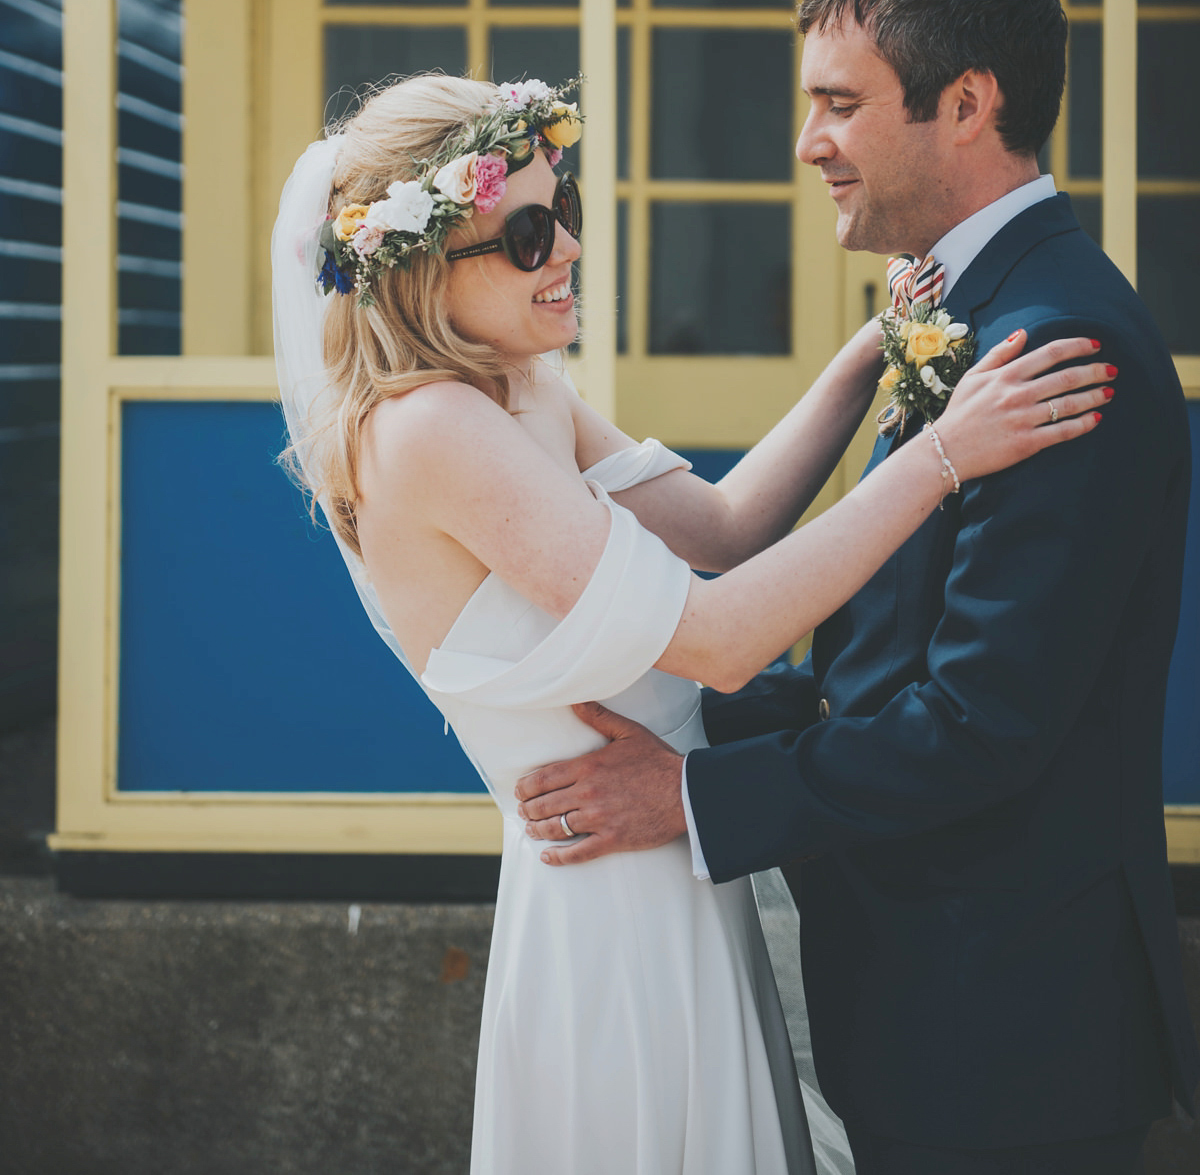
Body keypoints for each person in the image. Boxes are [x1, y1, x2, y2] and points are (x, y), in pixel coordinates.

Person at [272, 66, 1112, 1175]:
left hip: (667, 859)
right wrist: (946, 457)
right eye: (527, 232)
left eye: (562, 211)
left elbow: (720, 531)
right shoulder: (427, 428)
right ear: (420, 262)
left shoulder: (514, 389)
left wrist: (872, 353)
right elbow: (719, 635)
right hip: (607, 908)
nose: (567, 248)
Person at [515, 0, 1200, 1175]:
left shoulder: (1054, 350)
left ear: (967, 103)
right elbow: (886, 655)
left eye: (839, 103)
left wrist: (685, 796)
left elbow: (984, 720)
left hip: (1010, 1036)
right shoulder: (961, 311)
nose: (806, 141)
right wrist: (683, 721)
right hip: (939, 1017)